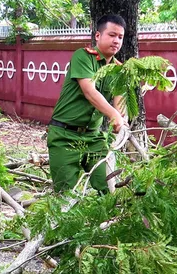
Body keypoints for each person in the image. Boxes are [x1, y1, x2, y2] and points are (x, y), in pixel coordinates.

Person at [46, 14, 129, 194]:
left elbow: (119, 103)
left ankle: (108, 222)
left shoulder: (119, 70)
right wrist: (113, 115)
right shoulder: (82, 56)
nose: (116, 41)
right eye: (112, 35)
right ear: (98, 36)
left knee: (108, 189)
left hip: (94, 139)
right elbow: (89, 92)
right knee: (66, 196)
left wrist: (121, 119)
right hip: (64, 136)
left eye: (120, 37)